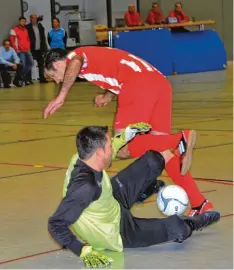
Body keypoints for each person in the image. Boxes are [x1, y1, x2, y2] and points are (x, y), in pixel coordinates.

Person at [43, 47, 215, 216]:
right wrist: (107, 96)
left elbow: (75, 61)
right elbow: (117, 72)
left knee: (122, 147)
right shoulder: (91, 56)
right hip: (159, 83)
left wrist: (61, 95)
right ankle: (200, 203)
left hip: (137, 85)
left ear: (57, 64)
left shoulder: (74, 57)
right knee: (161, 151)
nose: (57, 81)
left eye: (53, 76)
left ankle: (179, 139)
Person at [48, 123, 220, 268]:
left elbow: (112, 148)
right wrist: (81, 249)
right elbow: (56, 223)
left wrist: (124, 136)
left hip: (109, 199)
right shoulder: (85, 187)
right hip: (116, 230)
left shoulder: (81, 157)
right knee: (177, 228)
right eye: (109, 146)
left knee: (154, 159)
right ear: (99, 152)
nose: (113, 147)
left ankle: (140, 192)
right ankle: (194, 222)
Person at [10, 16, 34, 85]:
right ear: (19, 21)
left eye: (24, 21)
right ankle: (20, 78)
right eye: (22, 21)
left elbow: (28, 40)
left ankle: (18, 77)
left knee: (31, 64)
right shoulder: (14, 30)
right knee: (23, 65)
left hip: (27, 50)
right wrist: (16, 49)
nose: (23, 22)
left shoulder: (25, 30)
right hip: (20, 51)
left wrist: (29, 47)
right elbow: (12, 40)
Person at [26, 14, 48, 83]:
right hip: (31, 48)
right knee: (30, 63)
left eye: (36, 18)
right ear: (31, 19)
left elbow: (43, 37)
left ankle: (42, 78)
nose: (35, 19)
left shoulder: (40, 26)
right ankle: (28, 79)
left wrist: (44, 47)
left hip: (39, 48)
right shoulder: (27, 27)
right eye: (34, 18)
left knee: (41, 63)